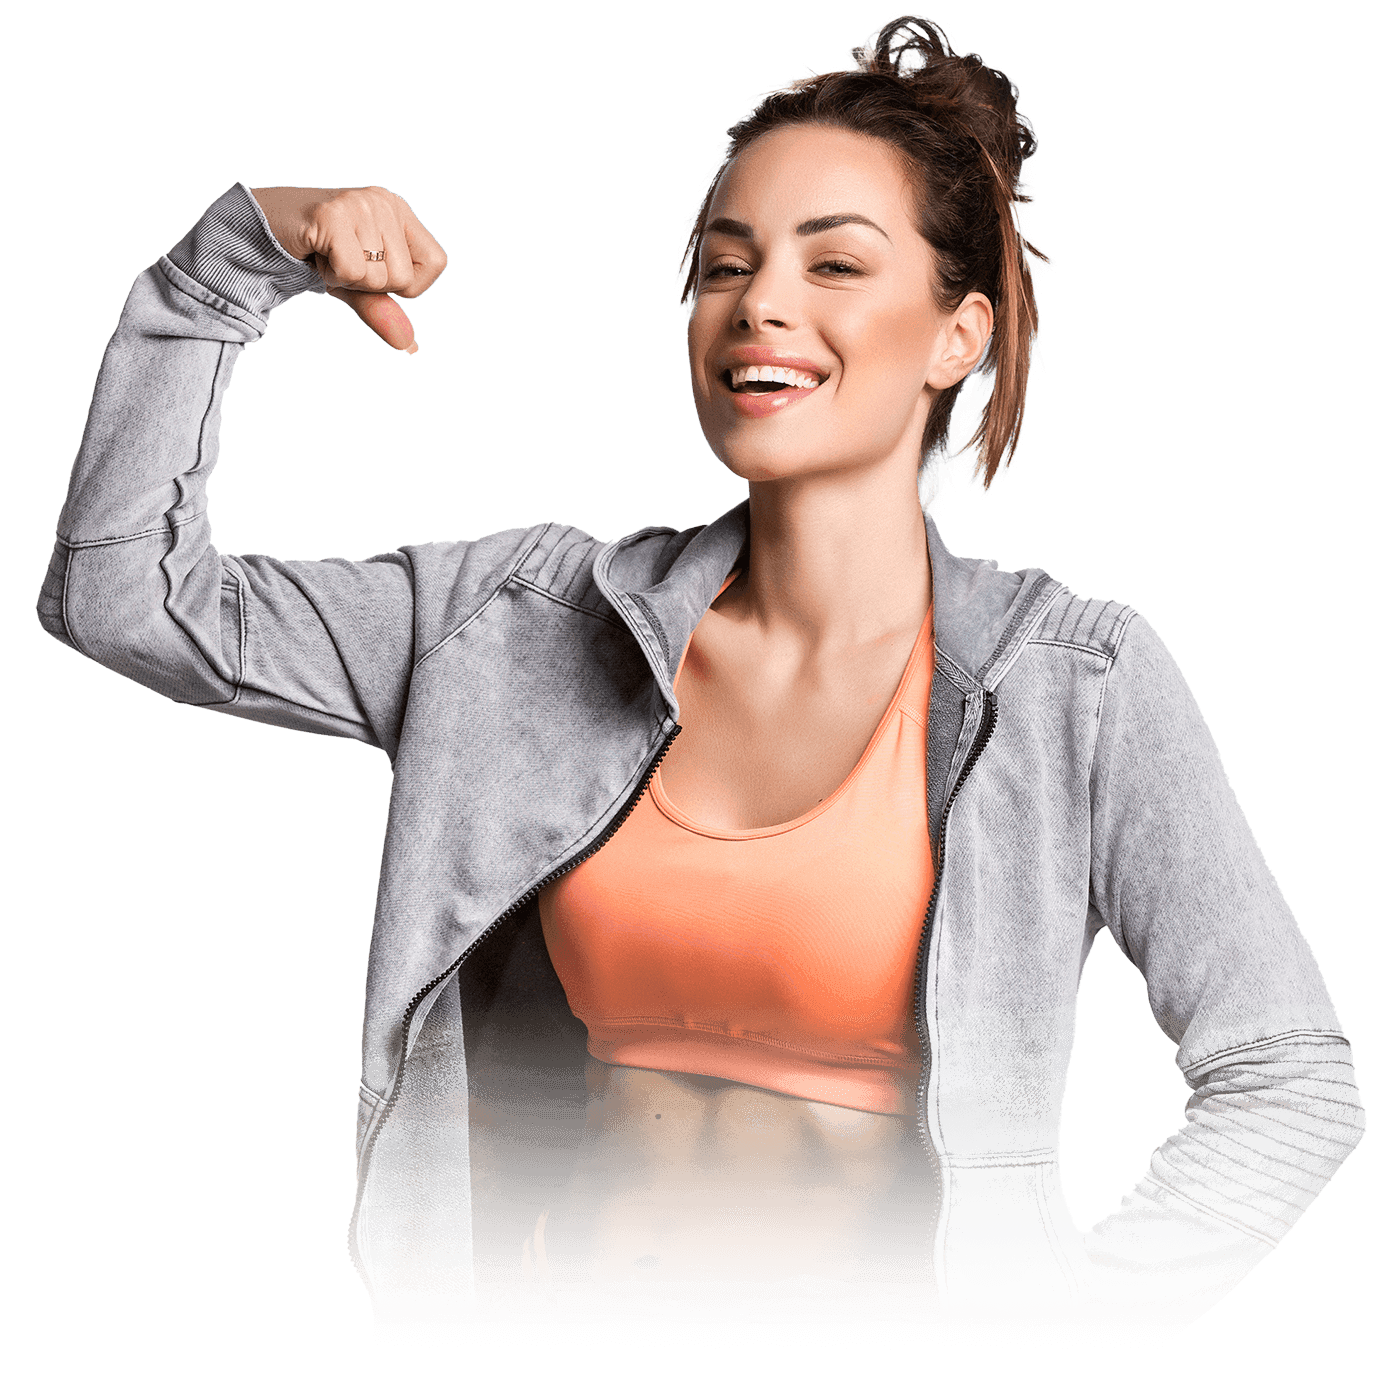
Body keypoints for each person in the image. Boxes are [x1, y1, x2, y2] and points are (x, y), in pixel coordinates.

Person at [37, 15, 1363, 1329]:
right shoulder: (516, 622)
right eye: (727, 264)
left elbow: (1290, 1082)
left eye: (834, 263)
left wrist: (1068, 1335)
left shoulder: (1074, 684)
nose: (761, 303)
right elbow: (124, 597)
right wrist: (233, 264)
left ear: (959, 337)